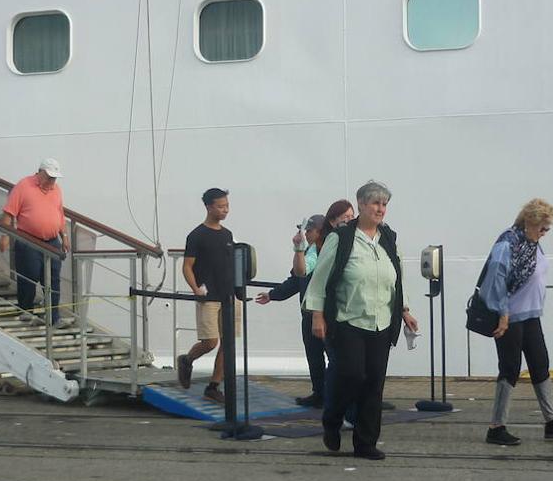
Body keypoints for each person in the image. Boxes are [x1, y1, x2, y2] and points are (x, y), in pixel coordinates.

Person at [304, 181, 418, 460]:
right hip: (347, 319)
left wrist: (404, 310)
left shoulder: (388, 238)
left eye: (384, 204)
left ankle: (365, 442)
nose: (380, 209)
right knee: (351, 374)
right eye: (375, 203)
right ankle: (332, 420)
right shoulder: (341, 238)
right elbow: (319, 278)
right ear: (362, 205)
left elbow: (397, 278)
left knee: (373, 383)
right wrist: (317, 315)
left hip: (381, 321)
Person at [479, 199, 553, 446]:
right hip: (510, 317)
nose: (544, 233)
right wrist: (502, 312)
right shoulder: (508, 243)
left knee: (540, 365)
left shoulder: (532, 243)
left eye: (548, 229)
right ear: (530, 222)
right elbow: (495, 279)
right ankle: (496, 427)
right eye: (542, 228)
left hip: (531, 315)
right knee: (510, 369)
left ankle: (552, 422)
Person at [255, 214, 329, 407]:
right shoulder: (306, 254)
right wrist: (272, 295)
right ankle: (319, 393)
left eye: (309, 230)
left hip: (327, 315)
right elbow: (296, 280)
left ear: (320, 231)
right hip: (308, 314)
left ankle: (335, 394)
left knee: (335, 357)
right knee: (314, 356)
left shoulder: (329, 253)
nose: (306, 233)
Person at [177, 188, 239, 404]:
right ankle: (187, 359)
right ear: (209, 207)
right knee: (210, 341)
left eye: (227, 206)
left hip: (229, 296)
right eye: (221, 206)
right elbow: (187, 266)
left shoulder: (228, 235)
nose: (225, 210)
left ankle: (213, 386)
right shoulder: (196, 235)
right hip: (208, 296)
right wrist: (195, 289)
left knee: (228, 343)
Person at [0, 159, 69, 325]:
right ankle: (26, 311)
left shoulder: (56, 189)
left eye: (55, 178)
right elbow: (9, 213)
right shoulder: (24, 186)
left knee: (53, 278)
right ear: (40, 172)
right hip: (28, 239)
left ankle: (53, 316)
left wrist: (64, 236)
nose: (52, 181)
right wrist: (5, 235)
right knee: (30, 275)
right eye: (50, 177)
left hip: (52, 241)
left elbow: (60, 214)